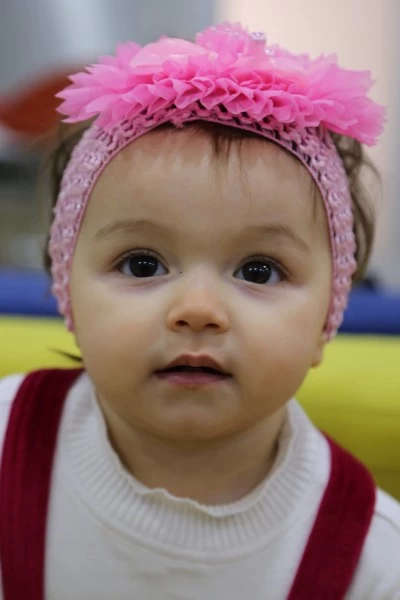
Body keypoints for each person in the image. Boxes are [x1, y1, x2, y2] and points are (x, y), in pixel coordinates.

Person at [0, 22, 399, 600]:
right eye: (142, 264)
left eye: (259, 271)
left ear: (326, 319)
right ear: (68, 295)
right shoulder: (8, 441)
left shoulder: (371, 556)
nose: (197, 310)